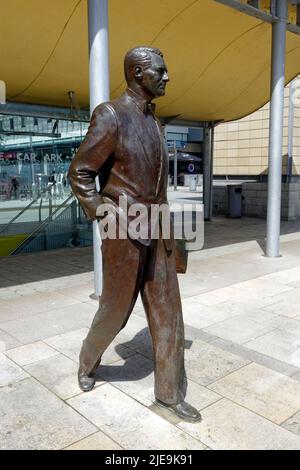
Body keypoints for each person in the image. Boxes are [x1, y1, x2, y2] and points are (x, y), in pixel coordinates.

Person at [68, 46, 201, 422]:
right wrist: (100, 210)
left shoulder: (155, 122)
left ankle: (169, 395)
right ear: (139, 73)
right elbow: (80, 172)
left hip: (158, 227)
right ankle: (87, 361)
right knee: (116, 310)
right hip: (123, 230)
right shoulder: (111, 115)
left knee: (169, 313)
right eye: (160, 70)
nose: (167, 77)